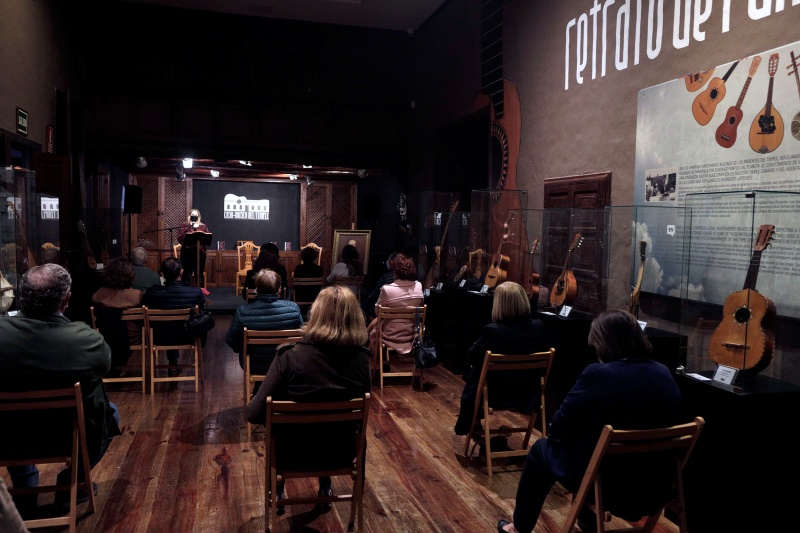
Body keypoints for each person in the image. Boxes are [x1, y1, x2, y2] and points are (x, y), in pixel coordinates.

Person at [497, 309, 684, 533]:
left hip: (607, 486)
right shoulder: (663, 373)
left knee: (541, 450)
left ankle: (518, 528)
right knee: (591, 449)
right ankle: (587, 521)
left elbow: (558, 427)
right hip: (655, 487)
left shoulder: (597, 374)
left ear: (603, 342)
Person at [0, 263, 121, 517]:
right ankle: (70, 484)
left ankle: (24, 489)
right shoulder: (86, 341)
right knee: (110, 412)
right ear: (66, 299)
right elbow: (105, 366)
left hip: (8, 438)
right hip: (67, 436)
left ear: (22, 297)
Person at [246, 286, 371, 513]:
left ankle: (278, 489)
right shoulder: (362, 360)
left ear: (316, 315)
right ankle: (325, 487)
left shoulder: (289, 356)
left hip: (291, 453)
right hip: (341, 453)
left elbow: (253, 413)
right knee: (329, 424)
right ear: (356, 318)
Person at [454, 281, 550, 436]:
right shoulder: (538, 327)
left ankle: (472, 421)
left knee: (475, 372)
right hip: (528, 394)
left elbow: (472, 356)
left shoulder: (492, 331)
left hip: (496, 395)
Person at [225, 268, 304, 380]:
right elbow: (302, 338)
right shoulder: (293, 309)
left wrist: (242, 349)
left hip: (254, 365)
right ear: (279, 289)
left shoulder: (243, 311)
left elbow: (231, 341)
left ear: (256, 289)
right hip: (286, 363)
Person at [141, 257, 206, 375]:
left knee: (168, 327)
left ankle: (173, 363)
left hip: (158, 338)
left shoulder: (152, 293)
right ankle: (173, 364)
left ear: (162, 274)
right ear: (181, 272)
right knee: (175, 326)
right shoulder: (195, 293)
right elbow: (201, 312)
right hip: (188, 336)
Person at [366, 254, 423, 369]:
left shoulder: (387, 289)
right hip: (411, 333)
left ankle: (376, 365)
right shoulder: (418, 286)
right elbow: (420, 306)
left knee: (376, 325)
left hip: (389, 334)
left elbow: (378, 312)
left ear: (395, 272)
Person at [91, 256, 143, 374]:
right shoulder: (137, 295)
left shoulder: (100, 293)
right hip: (131, 339)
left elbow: (94, 299)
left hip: (106, 337)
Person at [360, 251, 400, 322]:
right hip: (407, 323)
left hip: (385, 320)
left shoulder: (385, 281)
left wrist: (360, 308)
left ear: (391, 262)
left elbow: (373, 297)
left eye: (388, 260)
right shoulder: (414, 285)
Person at [177, 207, 210, 286]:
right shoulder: (185, 226)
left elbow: (207, 238)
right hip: (187, 252)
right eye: (192, 215)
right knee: (187, 273)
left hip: (199, 253)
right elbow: (180, 238)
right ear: (189, 216)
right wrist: (190, 227)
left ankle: (200, 290)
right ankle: (185, 290)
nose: (194, 216)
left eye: (196, 215)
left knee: (199, 274)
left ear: (198, 216)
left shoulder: (203, 226)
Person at [292, 245, 324, 316]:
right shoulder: (318, 269)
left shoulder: (298, 268)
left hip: (301, 297)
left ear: (302, 257)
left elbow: (294, 287)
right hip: (314, 296)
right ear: (314, 257)